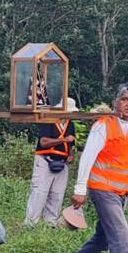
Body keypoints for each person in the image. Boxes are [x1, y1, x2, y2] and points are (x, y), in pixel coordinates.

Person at [56, 84, 128, 253]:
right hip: (102, 189)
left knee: (104, 238)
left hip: (123, 191)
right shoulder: (103, 126)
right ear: (116, 102)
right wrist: (80, 189)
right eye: (125, 99)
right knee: (121, 235)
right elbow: (87, 157)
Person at [23, 97, 78, 228]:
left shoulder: (70, 124)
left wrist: (70, 154)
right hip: (45, 160)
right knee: (39, 192)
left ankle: (50, 224)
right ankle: (30, 224)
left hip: (62, 162)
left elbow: (72, 143)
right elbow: (43, 142)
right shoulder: (48, 120)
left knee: (57, 194)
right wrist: (63, 139)